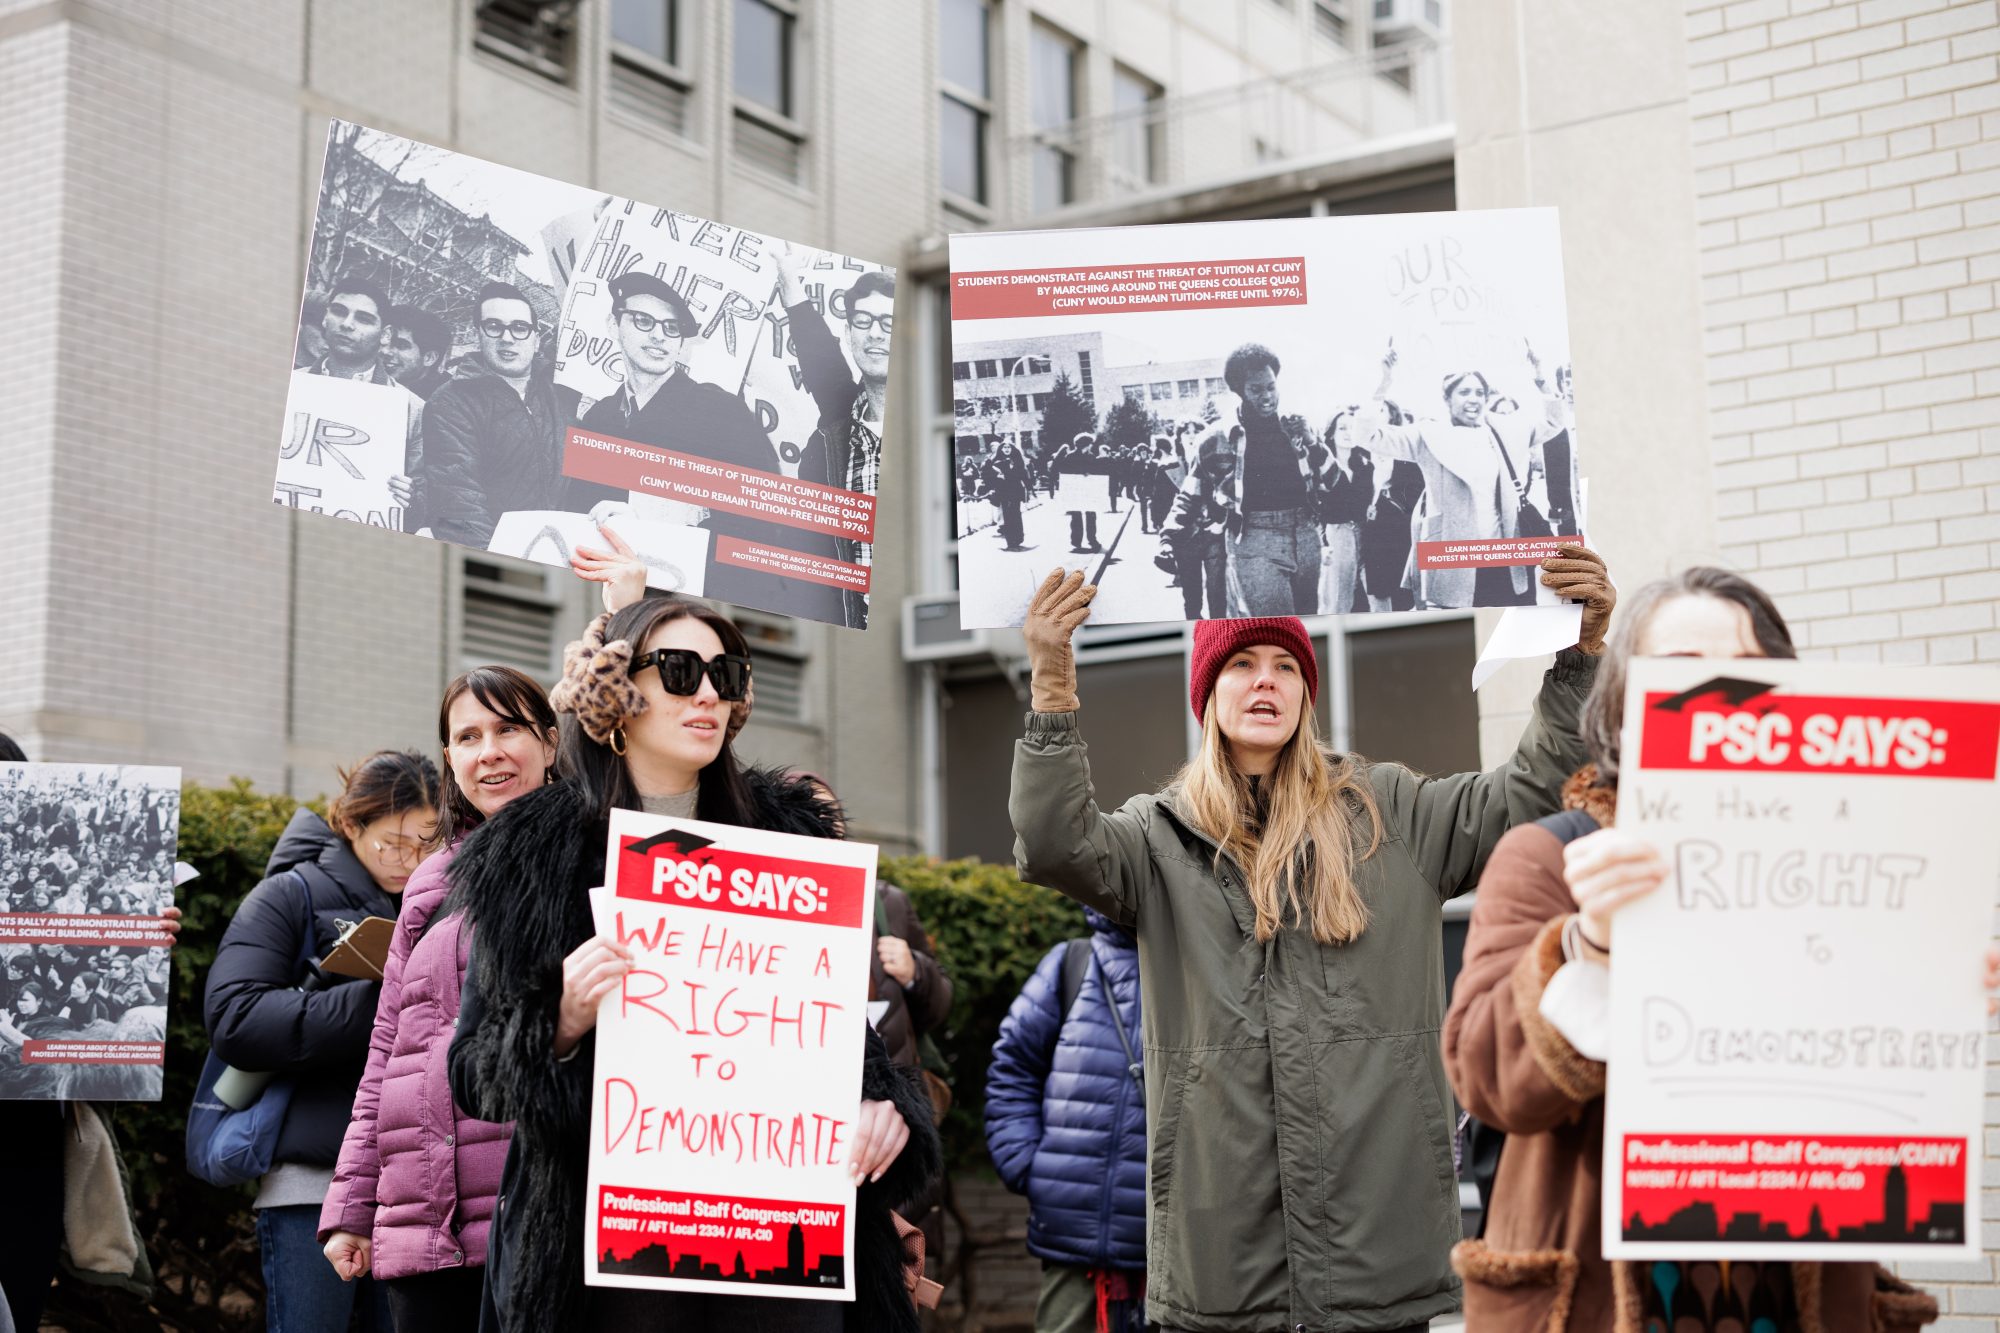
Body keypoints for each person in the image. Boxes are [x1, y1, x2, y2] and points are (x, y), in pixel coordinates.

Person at [1007, 545, 1616, 1333]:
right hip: (1220, 1271)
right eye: (1243, 664)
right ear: (1208, 692)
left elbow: (1530, 793)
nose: (1267, 680)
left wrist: (1580, 655)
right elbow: (1053, 842)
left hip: (1381, 1263)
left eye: (1286, 666)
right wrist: (1053, 682)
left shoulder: (1392, 810)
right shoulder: (1154, 838)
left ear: (1306, 691)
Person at [1440, 568, 1959, 1331]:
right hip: (1609, 1299)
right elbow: (1486, 1076)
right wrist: (1590, 943)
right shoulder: (1548, 859)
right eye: (1680, 672)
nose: (1718, 694)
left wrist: (1934, 1010)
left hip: (1790, 1288)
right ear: (1622, 702)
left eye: (1745, 671)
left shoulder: (1841, 867)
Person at [447, 597, 942, 1332]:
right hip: (612, 1251)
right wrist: (561, 1018)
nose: (708, 691)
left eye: (725, 672)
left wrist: (884, 1109)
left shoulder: (787, 834)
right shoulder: (537, 855)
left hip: (782, 1239)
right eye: (679, 670)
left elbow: (846, 1039)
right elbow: (472, 1071)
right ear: (619, 695)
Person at [317, 669, 560, 1333]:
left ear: (551, 739)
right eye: (468, 736)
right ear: (450, 758)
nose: (490, 750)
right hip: (419, 1229)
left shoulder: (584, 853)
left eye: (508, 727)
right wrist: (352, 1207)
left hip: (533, 1224)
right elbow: (387, 1053)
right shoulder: (429, 881)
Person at [205, 751, 441, 1333]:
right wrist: (379, 1005)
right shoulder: (291, 894)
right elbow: (234, 1015)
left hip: (414, 1191)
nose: (409, 862)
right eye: (392, 844)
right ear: (351, 825)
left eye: (427, 844)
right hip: (310, 1181)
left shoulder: (441, 903)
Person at [574, 271, 793, 612]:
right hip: (609, 602)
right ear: (612, 325)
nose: (659, 336)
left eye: (671, 328)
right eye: (643, 321)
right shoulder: (599, 419)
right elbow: (578, 513)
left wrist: (646, 527)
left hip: (685, 604)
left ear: (680, 343)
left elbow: (758, 522)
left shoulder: (720, 411)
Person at [986, 910, 1148, 1333]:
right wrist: (1027, 1165)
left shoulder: (1209, 969)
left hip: (1183, 1258)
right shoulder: (1071, 964)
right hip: (1074, 1256)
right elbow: (1013, 1065)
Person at [1368, 340, 1564, 609]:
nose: (1473, 399)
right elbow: (1368, 436)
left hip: (1502, 556)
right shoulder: (1427, 435)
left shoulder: (1503, 430)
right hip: (1453, 557)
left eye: (1479, 392)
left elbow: (1554, 422)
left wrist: (1540, 376)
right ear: (1447, 398)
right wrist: (1383, 382)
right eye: (1464, 392)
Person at [778, 252, 895, 629]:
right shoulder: (839, 430)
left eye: (888, 322)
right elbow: (820, 357)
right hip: (851, 622)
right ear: (848, 333)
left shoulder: (927, 426)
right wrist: (789, 281)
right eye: (863, 321)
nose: (874, 333)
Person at [426, 282, 579, 550]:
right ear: (479, 334)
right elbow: (458, 500)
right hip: (499, 553)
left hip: (560, 551)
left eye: (520, 328)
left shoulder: (563, 397)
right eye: (494, 326)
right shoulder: (451, 401)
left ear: (536, 339)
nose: (507, 338)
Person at [1203, 344, 1319, 615]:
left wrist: (1312, 441)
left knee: (1308, 624)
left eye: (1271, 387)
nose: (1267, 396)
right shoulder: (1218, 437)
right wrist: (1169, 537)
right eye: (1256, 390)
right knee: (1278, 628)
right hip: (1255, 537)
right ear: (1239, 391)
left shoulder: (1296, 427)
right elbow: (1193, 489)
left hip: (1305, 533)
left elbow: (1331, 480)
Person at [304, 274, 423, 524]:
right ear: (325, 318)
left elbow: (426, 494)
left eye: (364, 319)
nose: (347, 324)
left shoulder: (413, 410)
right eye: (338, 311)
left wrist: (412, 495)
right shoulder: (289, 386)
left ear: (385, 335)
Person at [1160, 444, 1234, 620]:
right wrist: (1167, 536)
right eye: (1186, 433)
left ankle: (1219, 637)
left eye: (1195, 432)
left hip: (1215, 538)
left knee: (1218, 595)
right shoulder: (1189, 465)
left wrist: (1223, 522)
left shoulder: (1229, 464)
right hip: (1187, 537)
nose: (1190, 437)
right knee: (1191, 598)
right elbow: (1182, 501)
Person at [384, 305, 453, 401]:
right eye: (384, 342)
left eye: (401, 346)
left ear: (429, 358)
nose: (386, 351)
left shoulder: (447, 400)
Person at [982, 435, 1034, 551]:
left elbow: (1024, 474)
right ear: (1001, 449)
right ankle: (1011, 541)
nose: (1006, 449)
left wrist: (1029, 487)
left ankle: (1018, 538)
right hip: (1004, 491)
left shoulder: (1017, 460)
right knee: (1008, 516)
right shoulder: (995, 461)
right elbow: (985, 473)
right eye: (1004, 447)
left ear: (1012, 449)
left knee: (1016, 514)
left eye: (1008, 447)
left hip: (1016, 490)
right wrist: (997, 476)